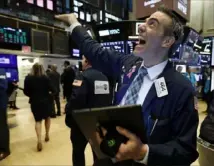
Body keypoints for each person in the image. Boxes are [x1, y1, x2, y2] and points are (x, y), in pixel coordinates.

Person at [56, 6, 199, 166]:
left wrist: (143, 152)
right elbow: (94, 50)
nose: (141, 27)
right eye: (144, 22)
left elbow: (186, 151)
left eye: (152, 24)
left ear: (167, 41)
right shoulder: (128, 64)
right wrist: (74, 22)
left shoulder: (182, 90)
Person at [65, 55, 112, 166]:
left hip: (82, 122)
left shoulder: (81, 76)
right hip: (99, 122)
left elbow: (76, 99)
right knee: (98, 152)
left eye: (82, 59)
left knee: (78, 152)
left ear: (87, 61)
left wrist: (67, 109)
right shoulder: (104, 77)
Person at [23, 63, 56, 151]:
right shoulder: (46, 78)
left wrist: (32, 95)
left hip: (34, 102)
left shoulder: (28, 78)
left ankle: (39, 140)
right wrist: (49, 94)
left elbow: (26, 92)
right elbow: (54, 90)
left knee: (38, 121)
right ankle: (47, 134)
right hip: (46, 102)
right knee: (47, 118)